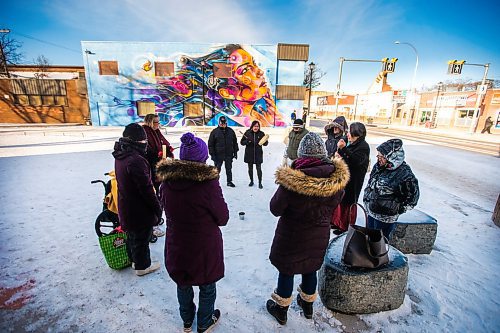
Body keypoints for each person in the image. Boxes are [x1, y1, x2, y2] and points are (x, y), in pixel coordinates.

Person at [266, 132, 349, 325]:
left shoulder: (292, 182)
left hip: (291, 237)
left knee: (287, 270)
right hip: (318, 236)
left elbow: (275, 209)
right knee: (310, 269)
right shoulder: (335, 183)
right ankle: (307, 306)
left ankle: (281, 310)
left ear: (302, 154)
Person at [157, 132, 229, 333]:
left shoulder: (166, 183)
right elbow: (222, 217)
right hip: (203, 247)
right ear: (202, 158)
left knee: (183, 283)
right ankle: (205, 322)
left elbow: (164, 206)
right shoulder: (208, 184)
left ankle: (187, 321)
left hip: (177, 245)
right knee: (207, 285)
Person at [112, 123, 162, 276]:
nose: (145, 144)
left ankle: (133, 259)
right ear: (136, 141)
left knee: (132, 235)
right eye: (143, 141)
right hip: (139, 208)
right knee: (141, 237)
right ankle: (142, 266)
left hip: (126, 203)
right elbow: (146, 190)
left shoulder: (121, 154)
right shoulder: (136, 160)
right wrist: (157, 208)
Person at [363, 139, 420, 240]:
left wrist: (398, 209)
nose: (378, 159)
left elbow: (412, 198)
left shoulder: (404, 174)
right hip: (371, 211)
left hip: (385, 218)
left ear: (392, 157)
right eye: (378, 156)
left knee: (379, 244)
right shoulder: (379, 166)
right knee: (369, 240)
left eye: (382, 157)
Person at [332, 122, 370, 233]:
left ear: (356, 134)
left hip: (354, 179)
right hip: (346, 177)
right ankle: (338, 222)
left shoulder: (363, 146)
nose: (347, 134)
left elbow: (356, 161)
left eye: (350, 132)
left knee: (349, 203)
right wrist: (340, 154)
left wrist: (344, 149)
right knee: (341, 200)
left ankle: (346, 226)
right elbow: (347, 157)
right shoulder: (352, 143)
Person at [142, 113, 174, 238]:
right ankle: (153, 222)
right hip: (150, 168)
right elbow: (147, 151)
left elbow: (164, 143)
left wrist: (168, 150)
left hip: (159, 166)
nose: (158, 124)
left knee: (160, 193)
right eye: (155, 122)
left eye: (158, 122)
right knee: (154, 195)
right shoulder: (145, 132)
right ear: (149, 122)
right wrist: (158, 154)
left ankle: (157, 216)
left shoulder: (156, 131)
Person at [208, 115, 239, 187]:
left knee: (229, 169)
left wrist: (235, 152)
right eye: (221, 123)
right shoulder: (214, 132)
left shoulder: (231, 131)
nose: (222, 124)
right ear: (218, 122)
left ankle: (229, 181)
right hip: (218, 154)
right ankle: (215, 183)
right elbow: (210, 144)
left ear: (226, 123)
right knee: (217, 169)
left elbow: (234, 142)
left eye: (224, 122)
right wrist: (212, 155)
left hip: (229, 153)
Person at [240, 120, 269, 189]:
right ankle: (251, 181)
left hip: (258, 154)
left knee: (259, 169)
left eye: (257, 126)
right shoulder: (247, 133)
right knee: (250, 169)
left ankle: (260, 182)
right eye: (255, 126)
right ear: (252, 126)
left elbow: (266, 144)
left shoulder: (261, 134)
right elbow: (242, 142)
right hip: (249, 154)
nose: (256, 128)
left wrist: (265, 141)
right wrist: (247, 141)